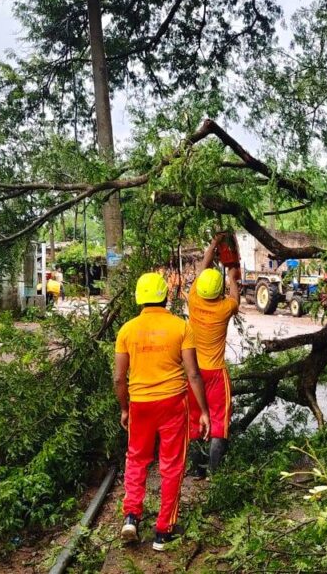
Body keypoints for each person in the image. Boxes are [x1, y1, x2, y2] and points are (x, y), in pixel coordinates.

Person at [114, 272, 211, 551]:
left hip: (140, 405)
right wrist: (203, 411)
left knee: (136, 460)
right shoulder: (181, 327)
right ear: (166, 296)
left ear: (139, 298)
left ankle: (131, 517)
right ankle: (163, 532)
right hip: (172, 404)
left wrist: (125, 408)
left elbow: (120, 378)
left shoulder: (127, 330)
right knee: (171, 465)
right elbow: (193, 374)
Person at [186, 233, 241, 477]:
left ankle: (198, 470)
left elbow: (203, 266)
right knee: (219, 423)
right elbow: (235, 296)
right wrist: (231, 275)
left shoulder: (193, 299)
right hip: (216, 375)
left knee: (196, 418)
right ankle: (216, 477)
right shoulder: (225, 309)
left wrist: (213, 244)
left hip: (194, 372)